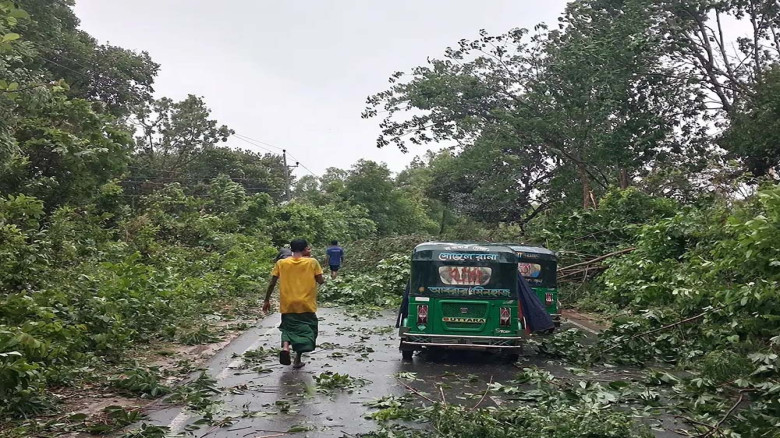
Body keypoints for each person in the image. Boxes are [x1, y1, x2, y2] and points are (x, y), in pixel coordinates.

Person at [263, 239, 325, 369]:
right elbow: (320, 281)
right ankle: (297, 359)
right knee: (307, 329)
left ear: (291, 249)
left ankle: (286, 347)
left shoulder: (281, 263)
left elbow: (272, 283)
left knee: (287, 327)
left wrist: (266, 300)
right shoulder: (313, 262)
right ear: (304, 250)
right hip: (306, 303)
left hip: (288, 303)